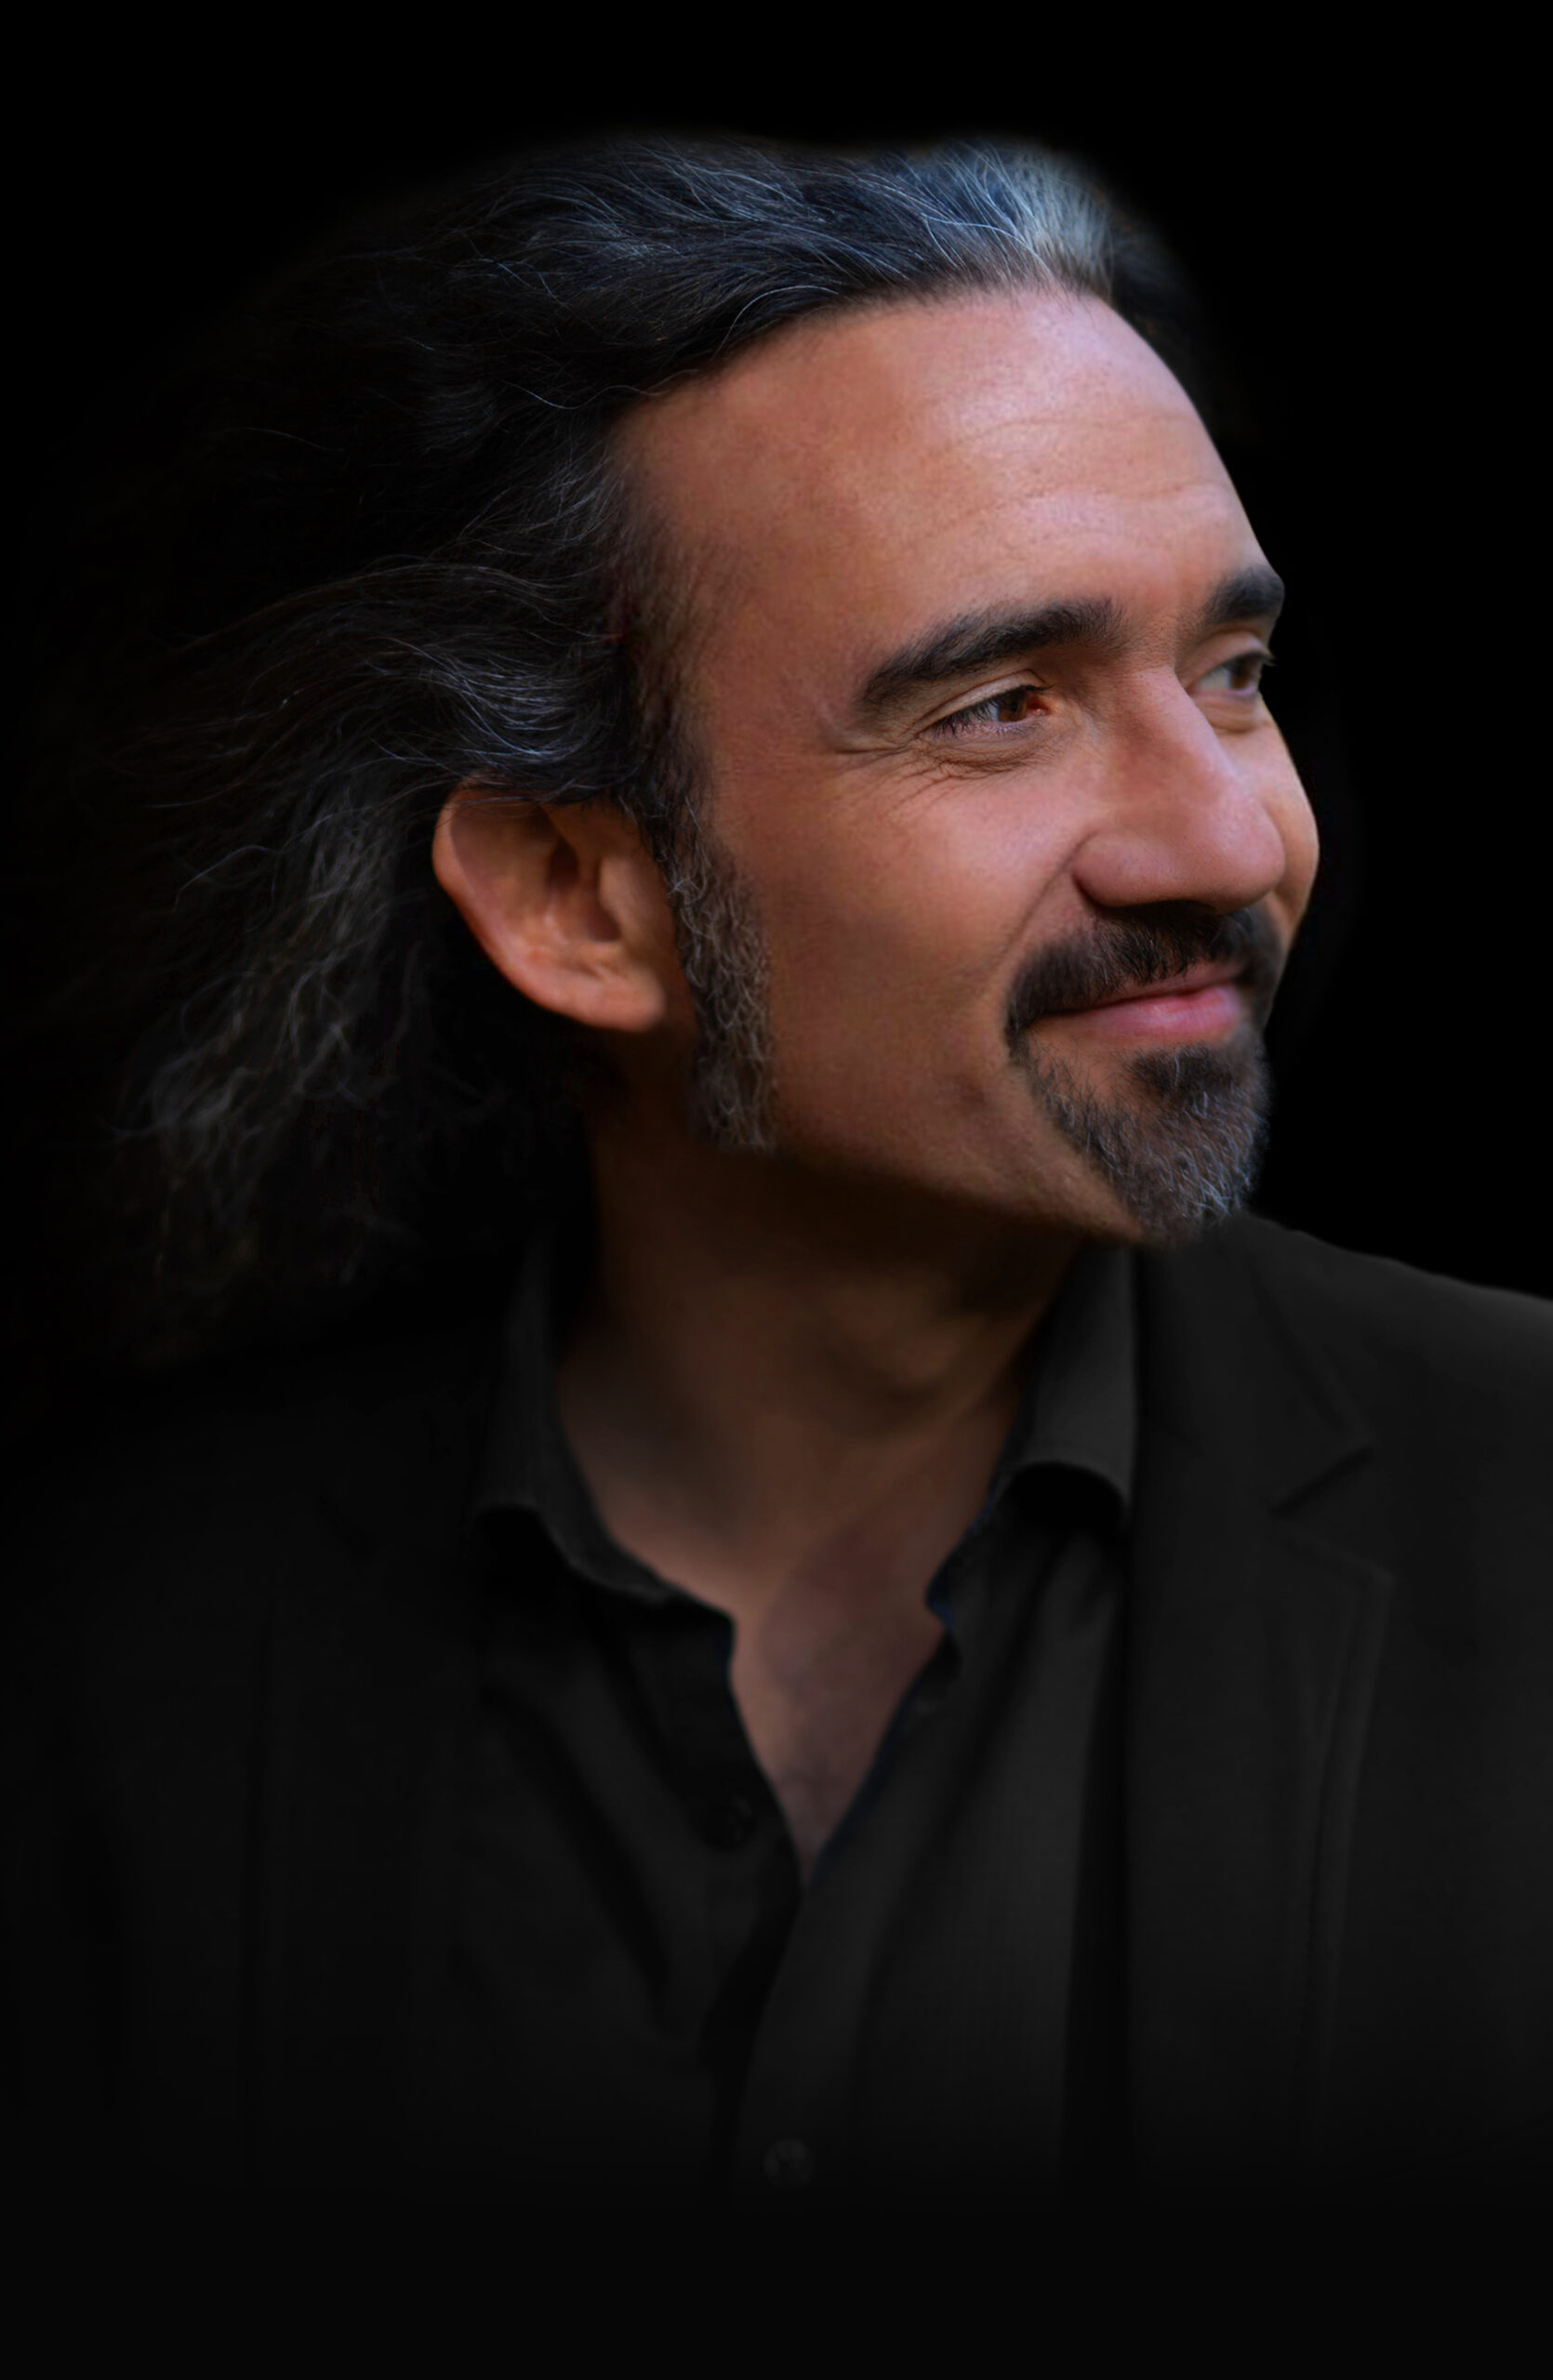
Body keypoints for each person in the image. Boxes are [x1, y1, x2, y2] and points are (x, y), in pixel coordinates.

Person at [6, 133, 1550, 2215]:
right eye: (999, 707)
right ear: (576, 897)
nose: (1223, 840)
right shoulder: (123, 1659)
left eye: (1233, 675)